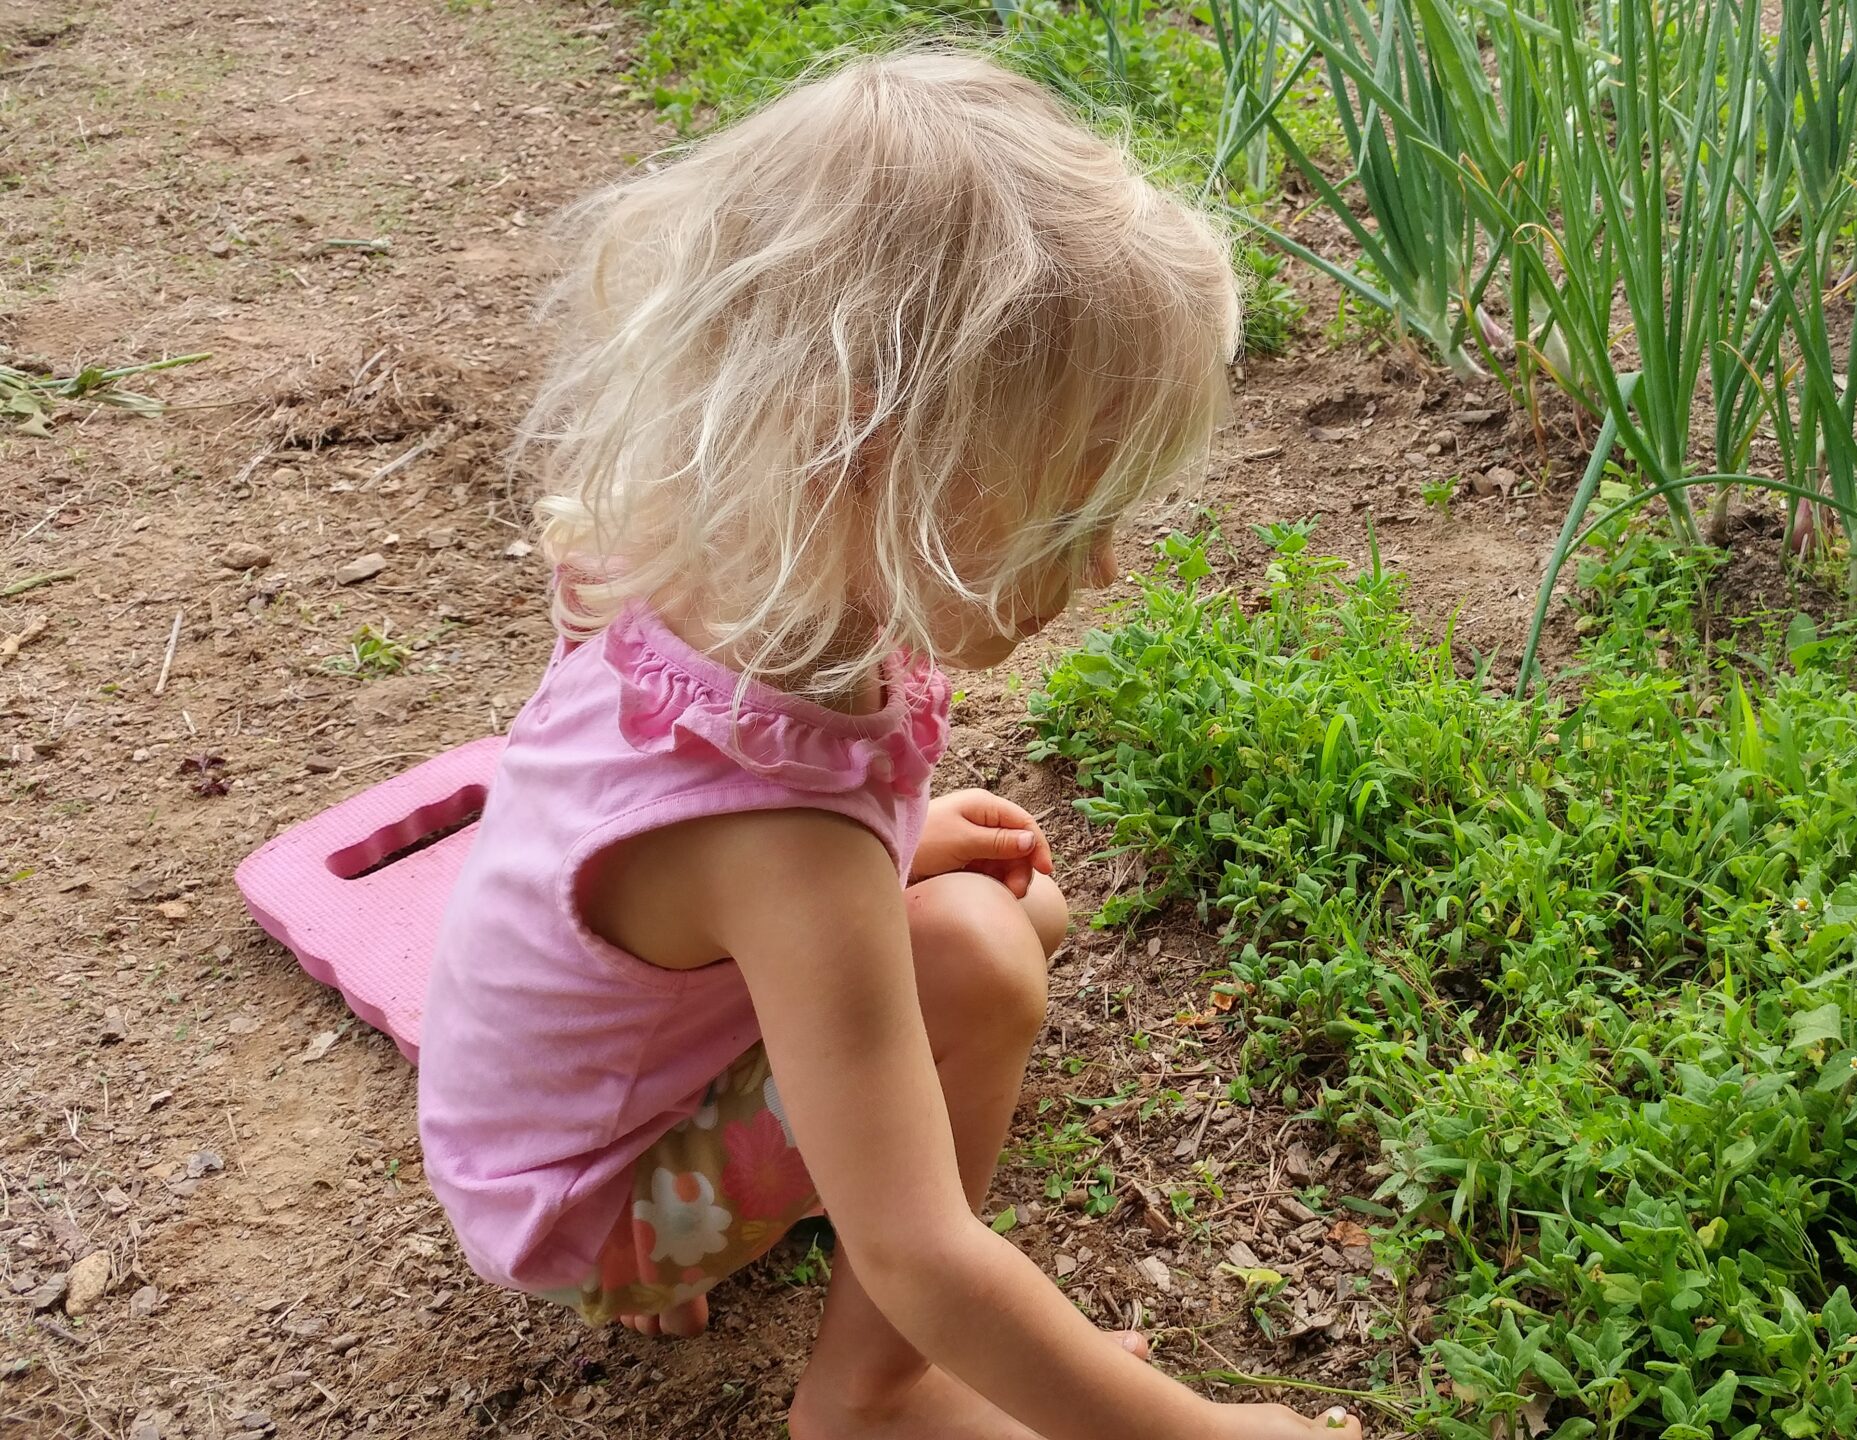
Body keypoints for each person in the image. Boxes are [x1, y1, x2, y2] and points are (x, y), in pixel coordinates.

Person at [416, 48, 1356, 1440]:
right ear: (868, 454)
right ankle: (873, 1396)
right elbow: (925, 1254)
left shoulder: (708, 558)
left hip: (542, 1131)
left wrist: (900, 839)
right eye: (1065, 518)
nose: (1100, 571)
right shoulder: (775, 838)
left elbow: (634, 825)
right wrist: (1205, 1434)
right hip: (592, 1214)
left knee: (1013, 903)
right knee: (980, 961)